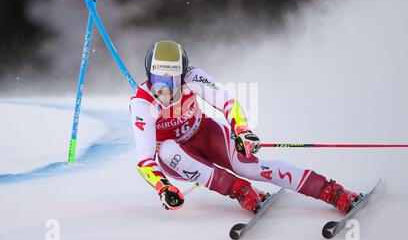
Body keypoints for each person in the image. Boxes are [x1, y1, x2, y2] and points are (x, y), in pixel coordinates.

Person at [130, 40, 360, 213]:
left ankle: (330, 191)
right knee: (167, 149)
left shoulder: (192, 76)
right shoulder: (142, 102)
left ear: (183, 75)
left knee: (248, 165)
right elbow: (145, 158)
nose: (165, 89)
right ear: (149, 75)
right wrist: (163, 187)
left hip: (204, 134)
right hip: (176, 159)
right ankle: (240, 190)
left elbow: (227, 102)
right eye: (158, 79)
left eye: (171, 81)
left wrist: (242, 130)